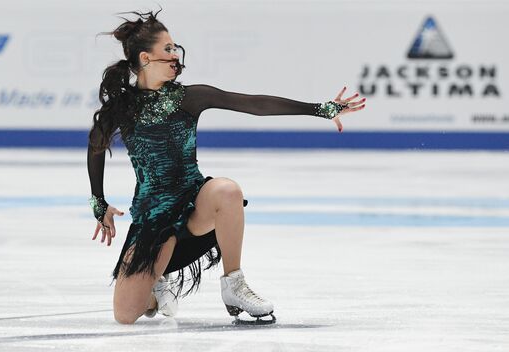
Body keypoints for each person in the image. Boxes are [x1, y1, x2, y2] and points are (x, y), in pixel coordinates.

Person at [87, 8, 366, 326]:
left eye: (175, 48)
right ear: (145, 58)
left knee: (227, 191)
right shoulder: (122, 107)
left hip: (194, 207)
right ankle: (156, 285)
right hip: (153, 219)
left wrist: (320, 109)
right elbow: (95, 145)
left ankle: (234, 284)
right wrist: (99, 201)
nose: (175, 55)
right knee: (126, 315)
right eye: (167, 49)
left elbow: (254, 104)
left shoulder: (190, 97)